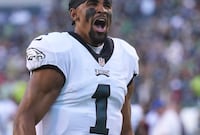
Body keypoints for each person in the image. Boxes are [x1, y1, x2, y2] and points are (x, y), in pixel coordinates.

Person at [13, 0, 139, 135]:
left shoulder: (125, 55)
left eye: (107, 5)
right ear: (74, 14)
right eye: (93, 4)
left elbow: (125, 128)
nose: (102, 10)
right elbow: (24, 119)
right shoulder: (59, 51)